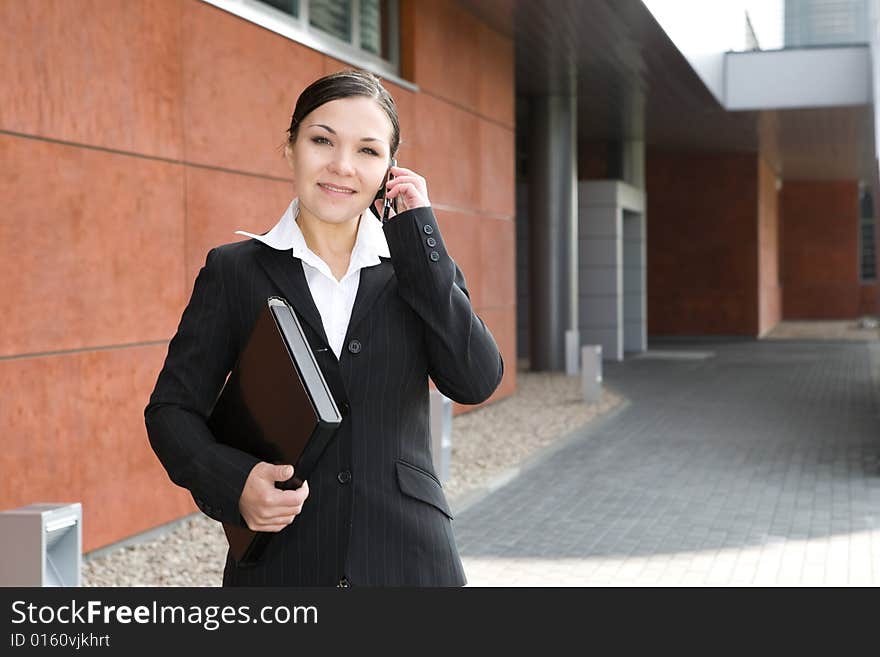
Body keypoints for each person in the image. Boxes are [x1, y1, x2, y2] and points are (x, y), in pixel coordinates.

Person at [144, 69, 504, 587]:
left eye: (367, 151)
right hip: (283, 566)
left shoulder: (419, 270)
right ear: (289, 148)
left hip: (410, 563)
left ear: (389, 171)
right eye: (321, 140)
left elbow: (475, 380)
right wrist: (235, 483)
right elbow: (170, 411)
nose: (341, 166)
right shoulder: (234, 271)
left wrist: (421, 235)